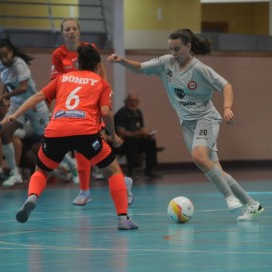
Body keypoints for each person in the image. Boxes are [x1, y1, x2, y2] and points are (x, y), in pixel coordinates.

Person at [107, 28, 264, 222]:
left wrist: (227, 108)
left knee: (199, 156)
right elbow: (139, 67)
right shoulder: (165, 63)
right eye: (170, 49)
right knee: (214, 169)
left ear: (188, 47)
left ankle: (229, 197)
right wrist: (122, 61)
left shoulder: (199, 69)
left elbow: (226, 85)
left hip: (206, 119)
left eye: (177, 49)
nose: (173, 53)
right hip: (187, 124)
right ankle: (252, 204)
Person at [1, 44, 138, 230]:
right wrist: (113, 135)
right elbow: (105, 112)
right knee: (114, 172)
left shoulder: (63, 78)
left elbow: (38, 96)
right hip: (86, 132)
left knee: (41, 171)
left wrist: (15, 115)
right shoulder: (101, 83)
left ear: (78, 63)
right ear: (98, 65)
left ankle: (32, 196)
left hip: (56, 130)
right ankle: (123, 219)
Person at [51, 18, 133, 206]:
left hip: (91, 105)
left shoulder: (89, 49)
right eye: (67, 29)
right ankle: (119, 181)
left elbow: (100, 72)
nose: (71, 32)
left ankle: (86, 190)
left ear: (79, 31)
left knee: (87, 147)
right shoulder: (58, 54)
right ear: (63, 33)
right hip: (72, 108)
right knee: (91, 149)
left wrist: (104, 92)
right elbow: (56, 84)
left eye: (74, 28)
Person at [0, 38, 50, 187]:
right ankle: (14, 173)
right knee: (5, 132)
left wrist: (3, 96)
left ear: (11, 52)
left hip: (34, 105)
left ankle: (72, 167)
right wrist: (4, 96)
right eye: (0, 56)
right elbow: (6, 82)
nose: (3, 59)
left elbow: (23, 87)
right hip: (18, 106)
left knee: (48, 140)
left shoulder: (19, 64)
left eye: (6, 55)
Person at [114, 91, 160, 179]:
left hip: (133, 141)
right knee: (132, 141)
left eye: (135, 101)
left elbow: (141, 128)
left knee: (150, 141)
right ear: (126, 102)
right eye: (131, 100)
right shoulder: (122, 113)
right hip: (120, 143)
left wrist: (147, 133)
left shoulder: (138, 112)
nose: (133, 103)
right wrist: (139, 133)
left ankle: (149, 170)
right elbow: (121, 132)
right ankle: (131, 171)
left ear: (138, 102)